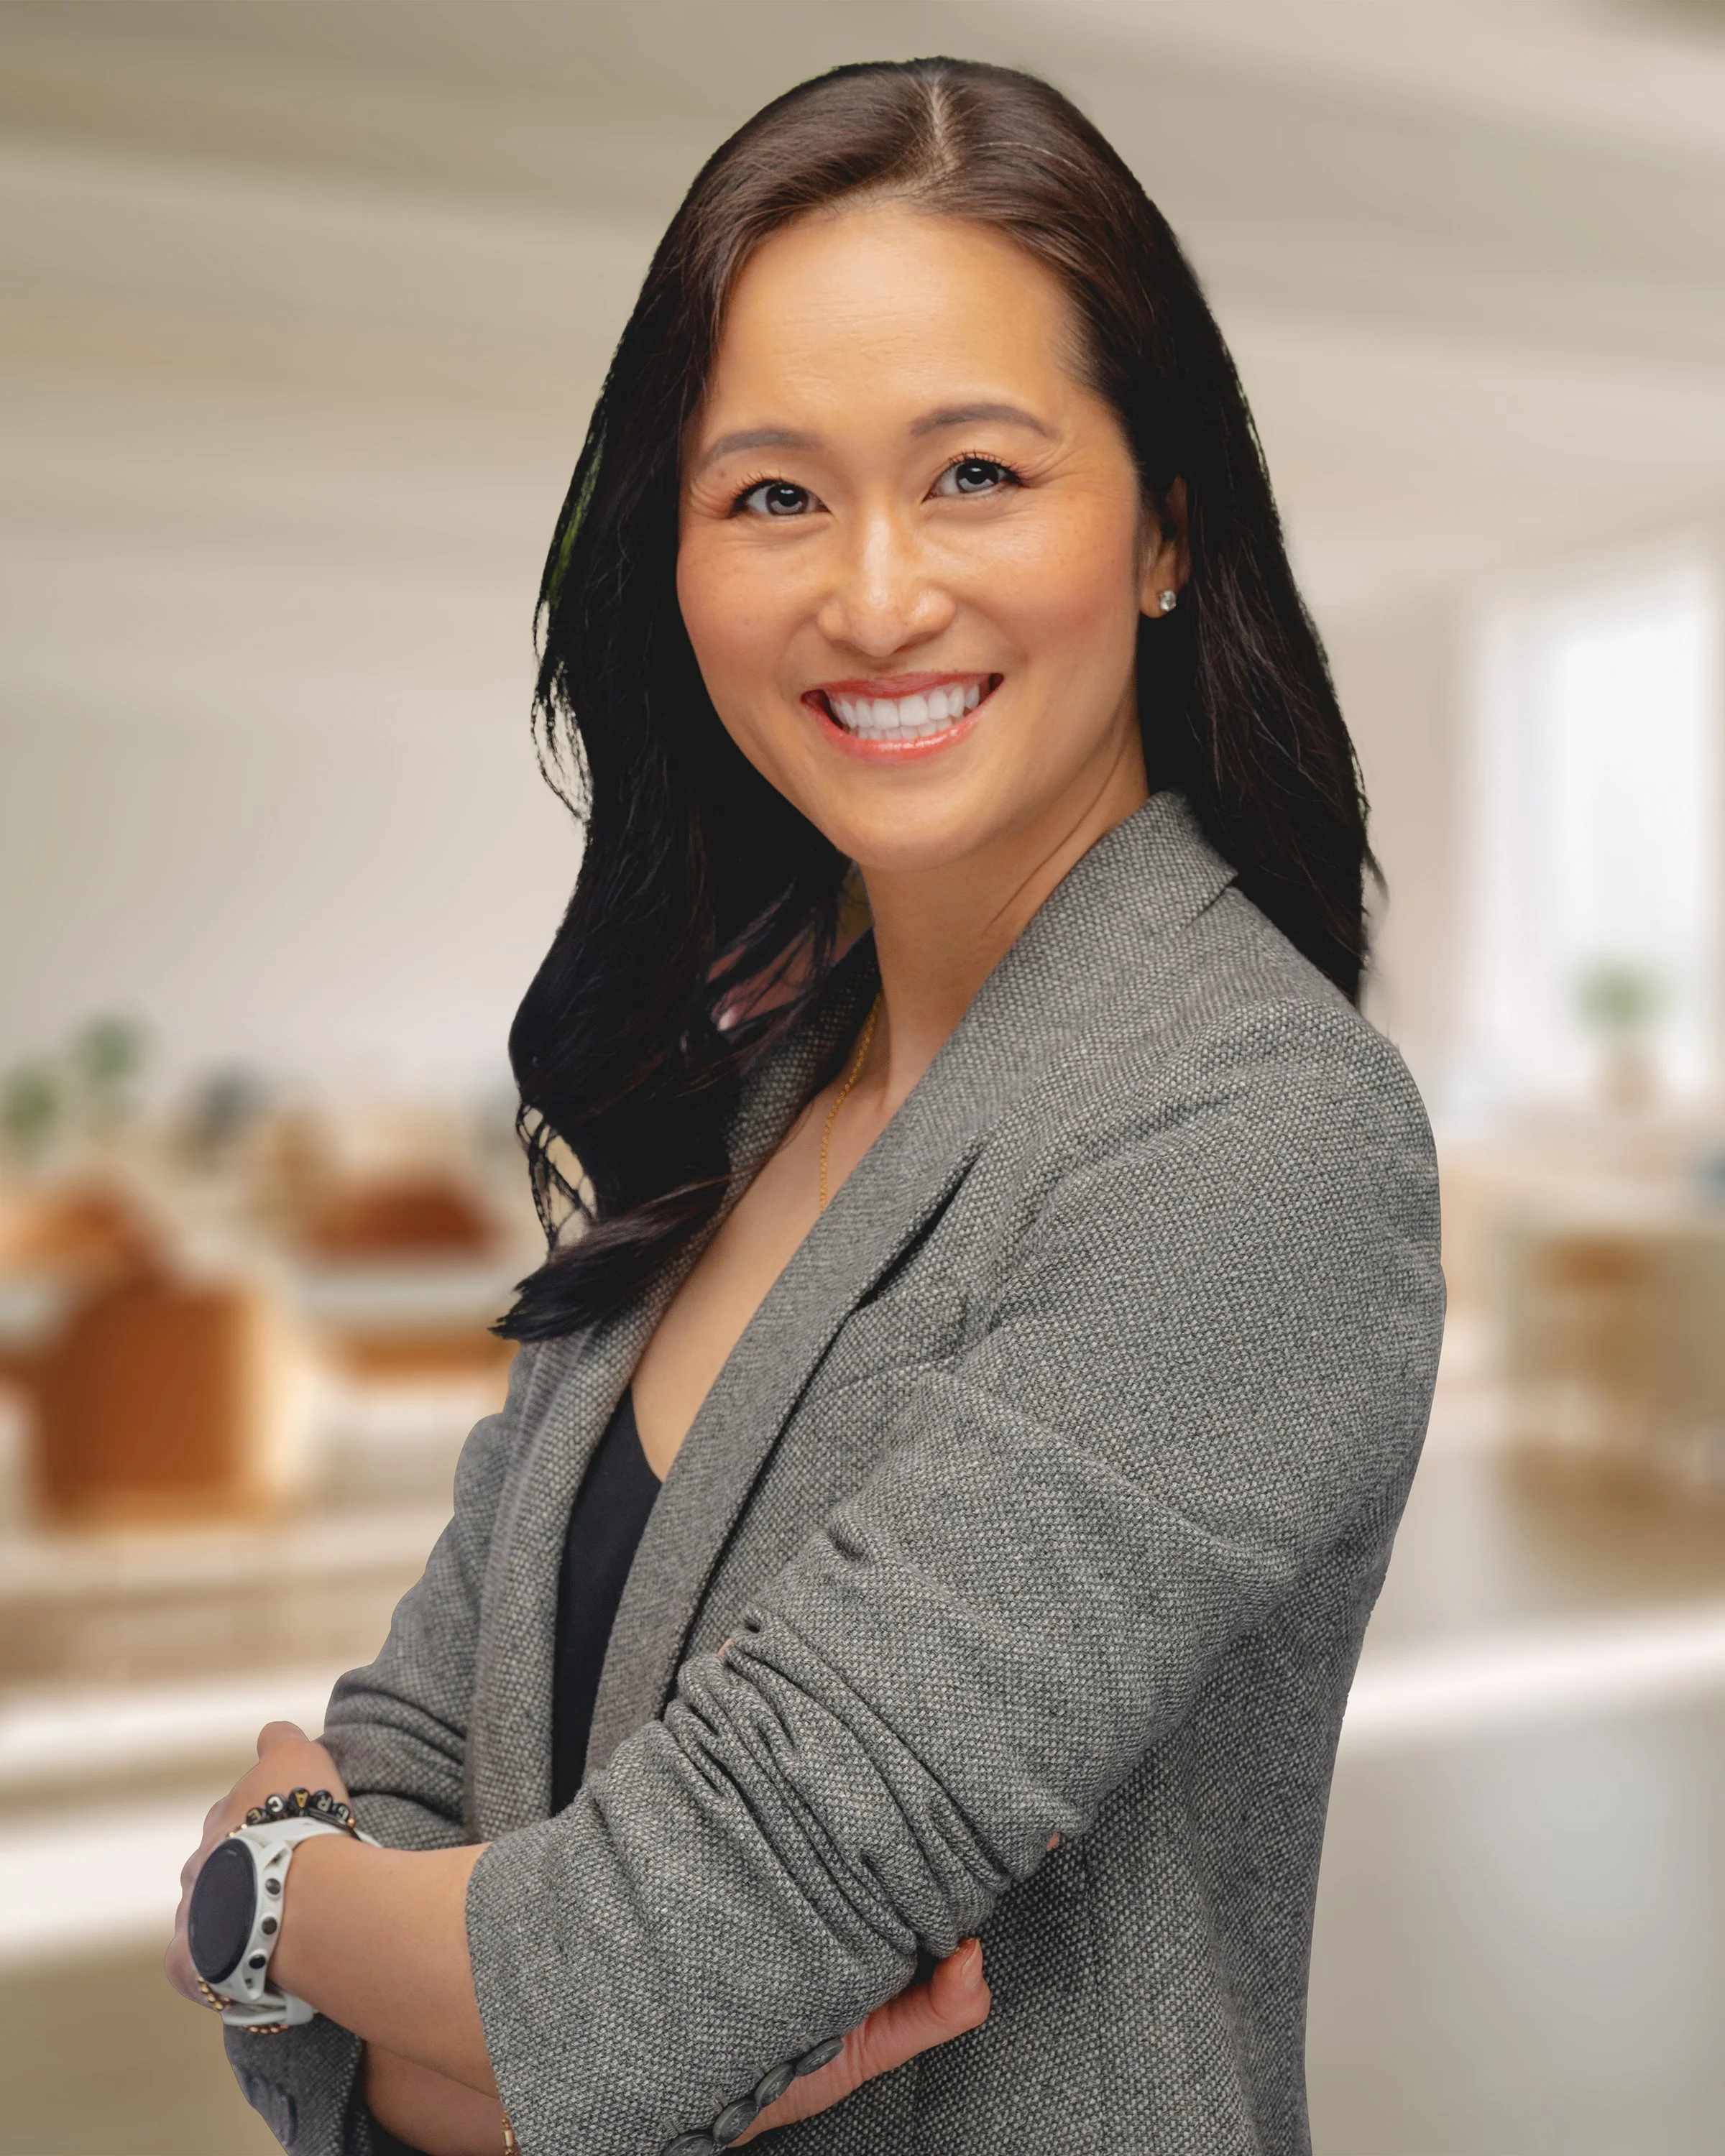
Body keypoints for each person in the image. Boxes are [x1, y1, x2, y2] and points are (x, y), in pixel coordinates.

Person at [168, 56, 1444, 2156]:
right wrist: (440, 1988)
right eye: (772, 493)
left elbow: (648, 1969)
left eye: (974, 476)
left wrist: (257, 1900)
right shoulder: (733, 1093)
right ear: (673, 566)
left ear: (1163, 529)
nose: (872, 596)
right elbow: (426, 1759)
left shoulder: (1256, 1139)